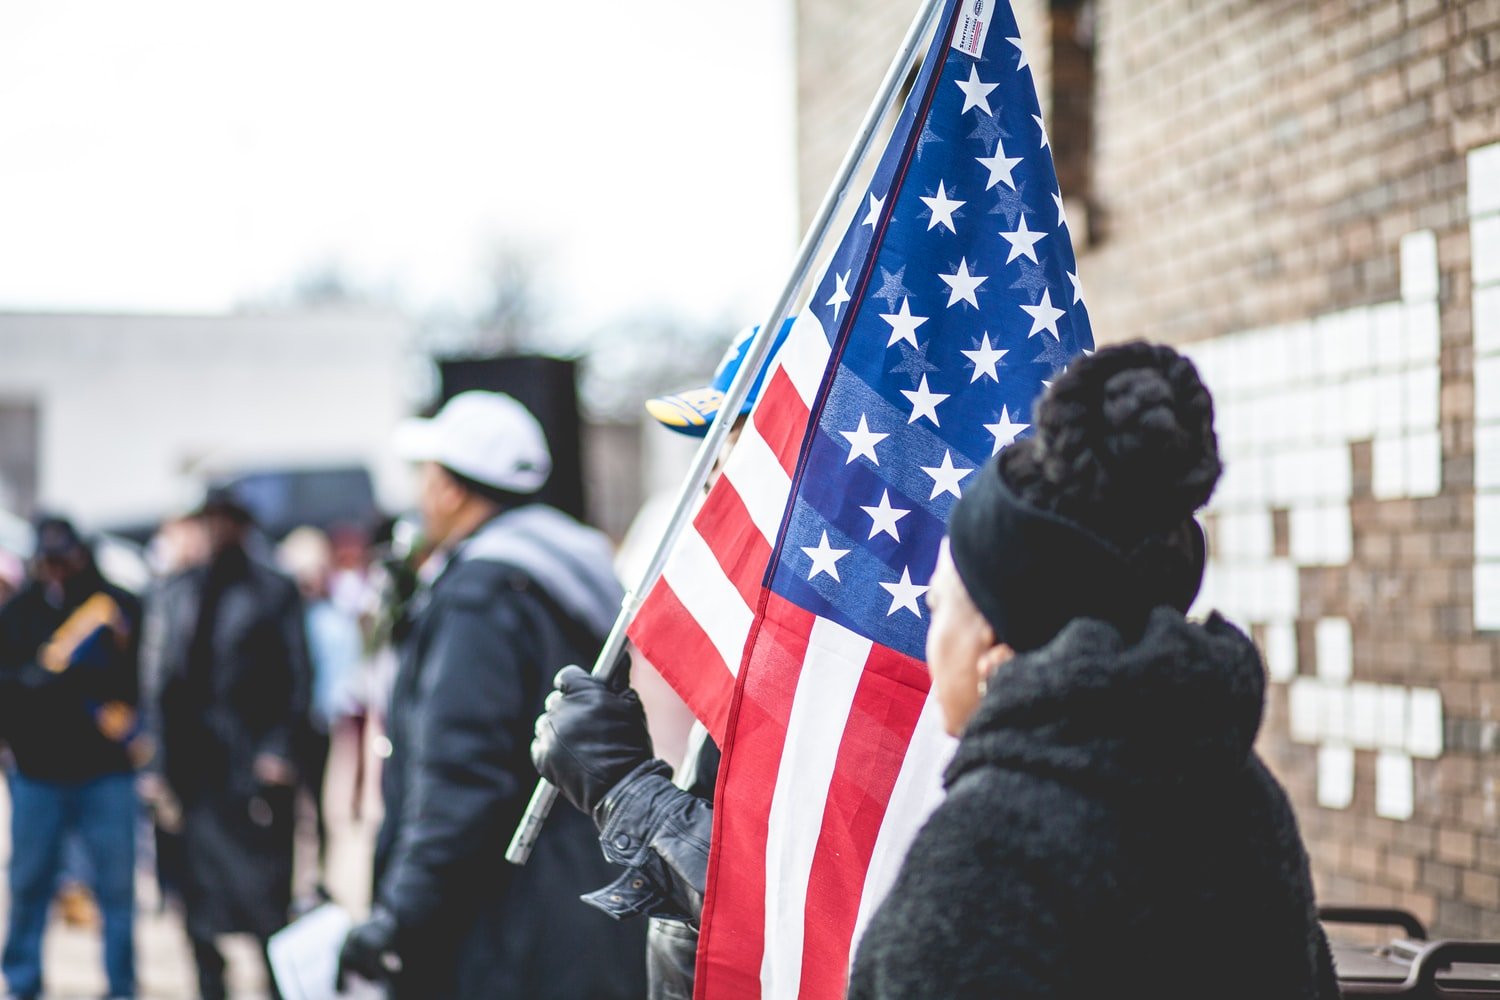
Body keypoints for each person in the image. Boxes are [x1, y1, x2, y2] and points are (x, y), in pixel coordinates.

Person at [844, 342, 1340, 999]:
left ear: (994, 642)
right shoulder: (1247, 797)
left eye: (938, 607)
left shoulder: (988, 851)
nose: (927, 639)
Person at [336, 390, 647, 1000]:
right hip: (575, 902)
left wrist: (397, 919)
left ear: (452, 490)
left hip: (505, 929)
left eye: (426, 476)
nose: (419, 493)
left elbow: (462, 777)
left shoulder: (480, 595)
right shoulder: (561, 568)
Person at [530, 320, 791, 1000]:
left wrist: (627, 788)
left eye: (731, 448)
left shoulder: (852, 662)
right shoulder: (773, 627)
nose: (706, 487)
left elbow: (798, 915)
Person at [139, 488, 310, 1000]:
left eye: (219, 521)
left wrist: (279, 751)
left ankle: (278, 988)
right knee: (195, 904)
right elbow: (155, 682)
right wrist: (156, 761)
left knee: (264, 904)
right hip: (191, 776)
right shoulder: (173, 592)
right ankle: (210, 988)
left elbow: (298, 677)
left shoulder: (272, 590)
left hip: (249, 772)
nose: (210, 532)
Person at [0, 516, 143, 1000]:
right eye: (49, 560)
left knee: (116, 892)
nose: (58, 570)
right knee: (29, 886)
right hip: (38, 773)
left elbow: (143, 676)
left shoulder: (115, 607)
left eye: (66, 559)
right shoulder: (16, 615)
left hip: (106, 774)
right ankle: (23, 984)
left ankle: (121, 986)